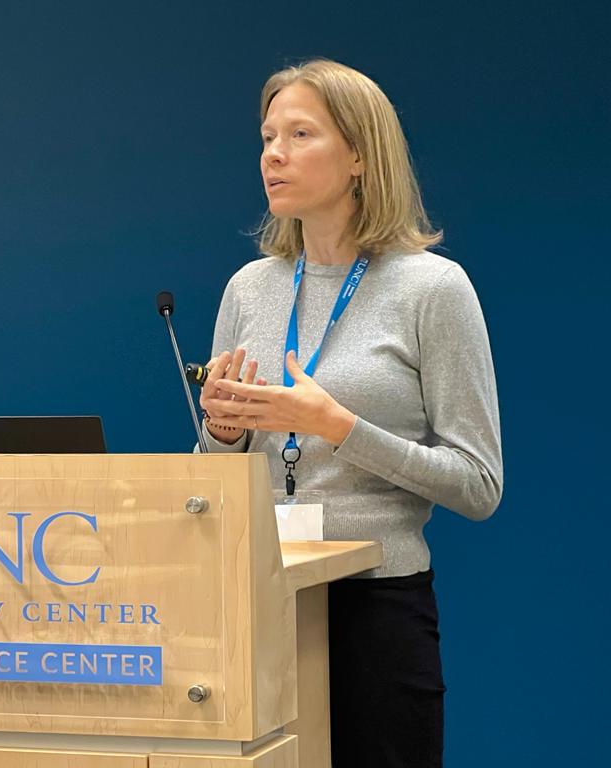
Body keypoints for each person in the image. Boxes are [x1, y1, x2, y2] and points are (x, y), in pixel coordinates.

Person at [197, 59, 503, 767]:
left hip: (377, 609)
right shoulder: (248, 289)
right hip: (258, 603)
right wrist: (223, 434)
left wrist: (341, 428)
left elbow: (479, 485)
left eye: (300, 134)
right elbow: (211, 483)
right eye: (267, 137)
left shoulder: (433, 289)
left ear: (361, 155)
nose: (273, 154)